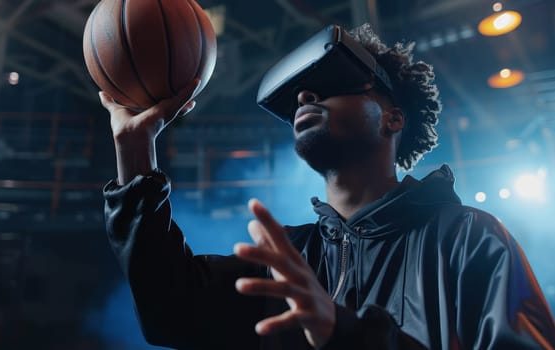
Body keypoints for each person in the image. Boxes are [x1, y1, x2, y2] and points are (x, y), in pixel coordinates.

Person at [100, 24, 555, 349]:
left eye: (332, 84)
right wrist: (135, 148)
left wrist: (344, 333)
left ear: (393, 118)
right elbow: (170, 312)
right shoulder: (285, 261)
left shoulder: (467, 239)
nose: (304, 97)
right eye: (300, 94)